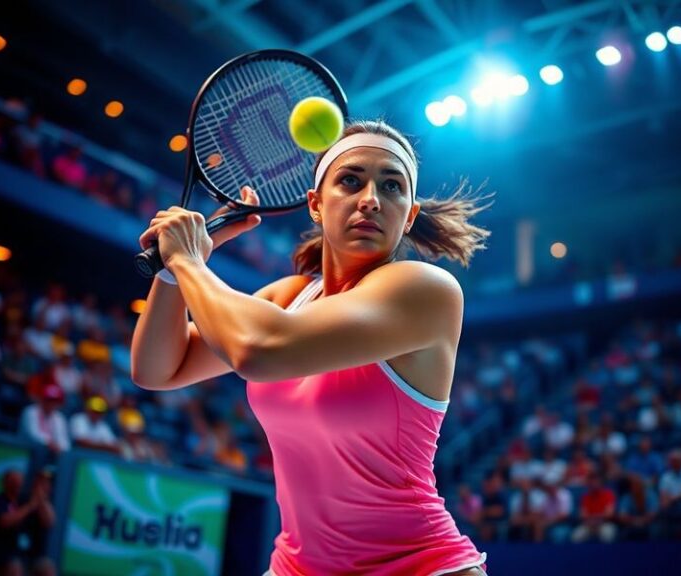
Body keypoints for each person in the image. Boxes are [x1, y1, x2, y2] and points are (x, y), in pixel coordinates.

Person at [132, 120, 490, 575]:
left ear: (409, 215)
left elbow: (257, 350)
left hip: (419, 565)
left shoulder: (427, 290)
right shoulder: (289, 298)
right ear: (316, 205)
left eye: (392, 186)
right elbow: (157, 369)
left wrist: (187, 260)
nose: (371, 199)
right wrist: (171, 273)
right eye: (351, 180)